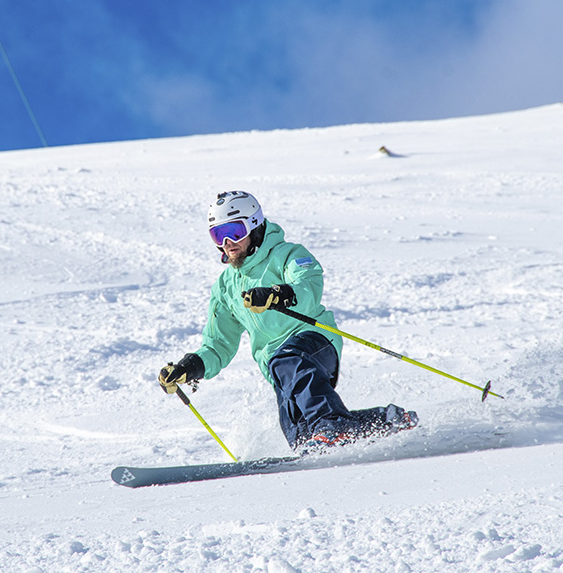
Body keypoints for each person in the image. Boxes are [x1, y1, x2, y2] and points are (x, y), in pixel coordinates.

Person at [158, 190, 418, 453]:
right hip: (278, 368)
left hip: (313, 343)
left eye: (235, 231)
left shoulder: (287, 255)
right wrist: (190, 368)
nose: (227, 242)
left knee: (295, 372)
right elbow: (218, 345)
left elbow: (309, 286)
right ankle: (384, 420)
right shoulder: (225, 287)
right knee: (301, 435)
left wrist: (278, 294)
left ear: (255, 226)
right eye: (218, 235)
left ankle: (332, 424)